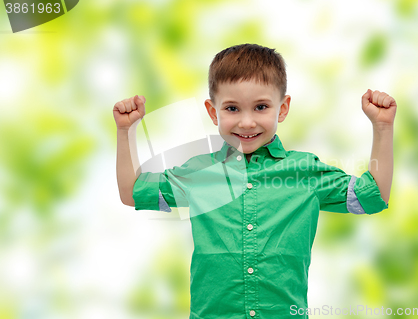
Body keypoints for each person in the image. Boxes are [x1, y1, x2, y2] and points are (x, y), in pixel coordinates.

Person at [113, 43, 396, 319]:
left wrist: (382, 127)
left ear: (282, 109)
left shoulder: (305, 171)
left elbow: (373, 196)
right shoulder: (198, 173)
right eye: (232, 109)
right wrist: (126, 131)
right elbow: (132, 192)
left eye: (261, 107)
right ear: (213, 112)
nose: (247, 122)